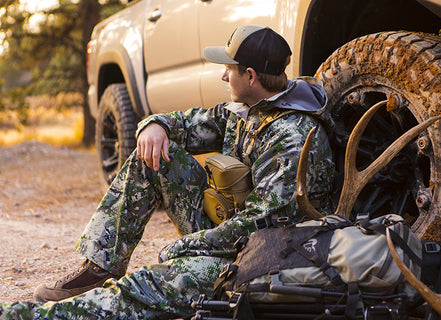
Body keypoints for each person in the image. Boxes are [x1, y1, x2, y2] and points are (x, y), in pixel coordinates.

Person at [0, 25, 335, 319]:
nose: (222, 75)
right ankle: (99, 266)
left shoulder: (292, 137)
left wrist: (190, 245)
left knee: (145, 288)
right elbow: (189, 123)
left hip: (261, 257)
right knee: (153, 154)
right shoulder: (247, 109)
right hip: (227, 233)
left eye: (229, 69)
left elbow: (266, 225)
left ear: (250, 76)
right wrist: (155, 124)